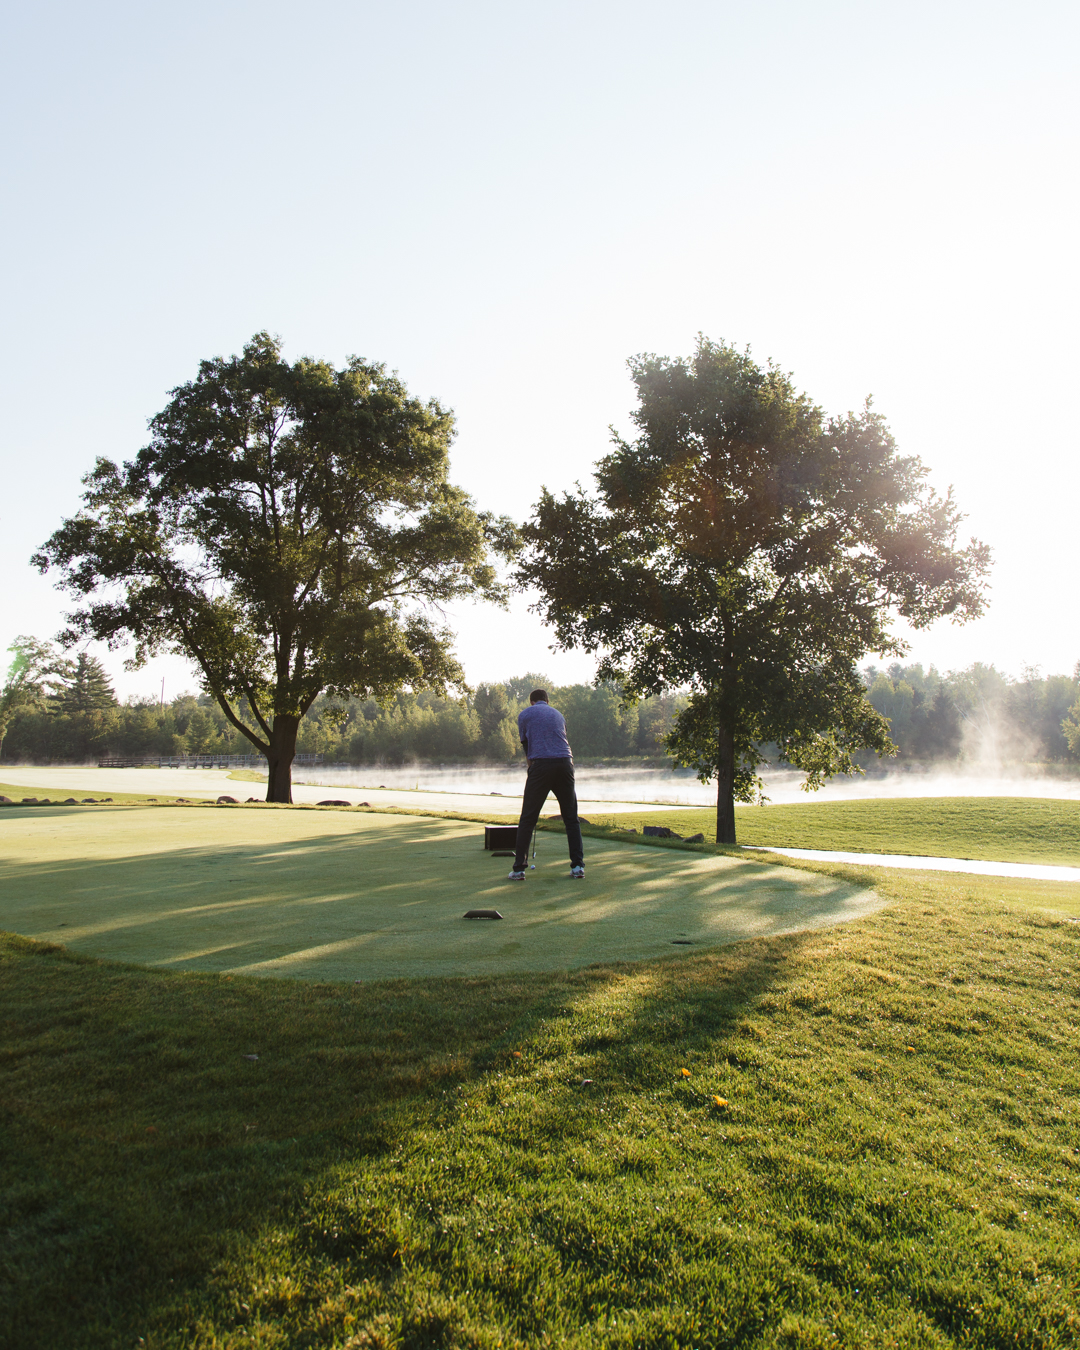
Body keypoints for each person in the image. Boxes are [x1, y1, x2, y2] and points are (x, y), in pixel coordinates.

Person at [509, 689, 585, 880]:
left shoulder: (525, 714)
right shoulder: (558, 714)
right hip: (566, 763)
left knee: (528, 819)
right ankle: (578, 867)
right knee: (571, 818)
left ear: (531, 701)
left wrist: (531, 769)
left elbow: (526, 746)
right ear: (547, 700)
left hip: (541, 765)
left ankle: (519, 869)